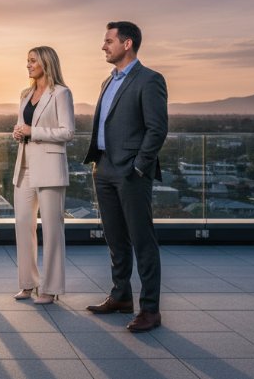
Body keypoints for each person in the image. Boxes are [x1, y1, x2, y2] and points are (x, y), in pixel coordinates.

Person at [83, 21, 168, 333]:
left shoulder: (150, 80)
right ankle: (120, 296)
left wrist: (139, 166)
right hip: (103, 167)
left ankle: (150, 310)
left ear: (127, 43)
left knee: (142, 240)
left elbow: (157, 128)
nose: (104, 46)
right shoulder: (108, 81)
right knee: (115, 238)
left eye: (108, 41)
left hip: (130, 171)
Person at [11, 46, 74, 305]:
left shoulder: (61, 93)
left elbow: (67, 132)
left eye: (32, 61)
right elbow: (24, 126)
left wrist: (32, 131)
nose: (28, 65)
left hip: (49, 169)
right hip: (24, 166)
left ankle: (51, 287)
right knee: (23, 225)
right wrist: (18, 131)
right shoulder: (26, 94)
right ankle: (28, 283)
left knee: (52, 230)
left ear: (46, 63)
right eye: (27, 60)